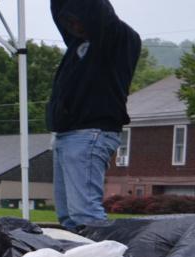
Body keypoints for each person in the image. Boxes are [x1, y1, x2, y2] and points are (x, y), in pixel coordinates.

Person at [46, 0, 139, 232]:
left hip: (90, 134)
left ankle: (102, 254)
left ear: (89, 16)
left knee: (85, 215)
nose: (73, 26)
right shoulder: (77, 45)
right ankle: (78, 253)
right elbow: (59, 10)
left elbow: (97, 9)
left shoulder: (116, 38)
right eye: (68, 23)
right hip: (68, 134)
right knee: (68, 217)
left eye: (75, 20)